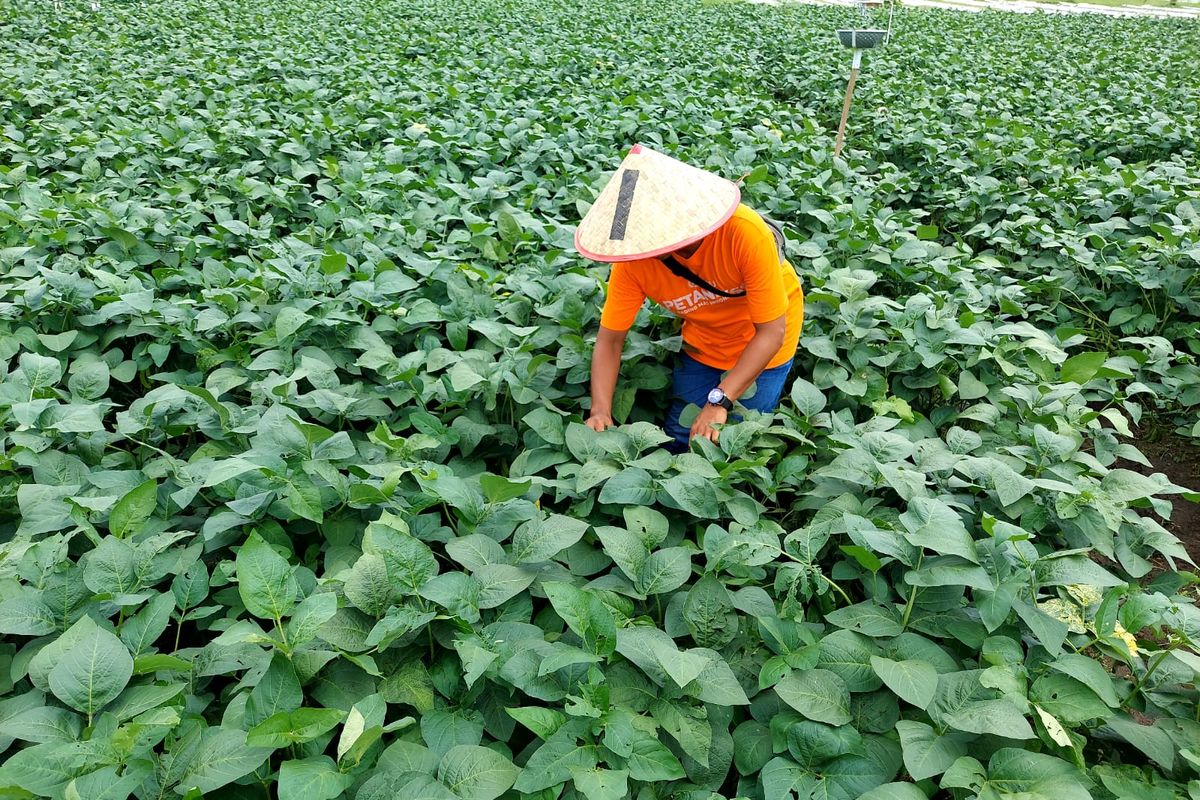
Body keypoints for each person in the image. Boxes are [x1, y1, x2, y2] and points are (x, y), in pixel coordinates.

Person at [574, 144, 804, 452]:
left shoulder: (745, 233)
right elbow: (609, 340)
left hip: (766, 339)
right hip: (704, 341)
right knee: (681, 436)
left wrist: (720, 399)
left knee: (737, 443)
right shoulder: (634, 262)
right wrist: (600, 410)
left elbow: (772, 332)